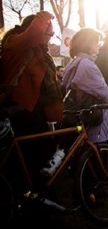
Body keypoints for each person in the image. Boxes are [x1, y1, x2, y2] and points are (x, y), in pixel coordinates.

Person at [0, 11, 63, 178]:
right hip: (21, 112)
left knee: (43, 153)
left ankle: (40, 193)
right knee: (27, 158)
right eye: (49, 30)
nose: (52, 34)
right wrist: (44, 15)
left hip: (37, 112)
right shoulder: (15, 43)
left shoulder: (40, 52)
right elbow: (33, 35)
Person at [62, 28, 108, 144]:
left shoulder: (75, 62)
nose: (98, 45)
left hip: (75, 113)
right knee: (95, 150)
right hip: (90, 116)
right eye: (96, 42)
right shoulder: (87, 64)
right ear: (88, 44)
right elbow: (102, 89)